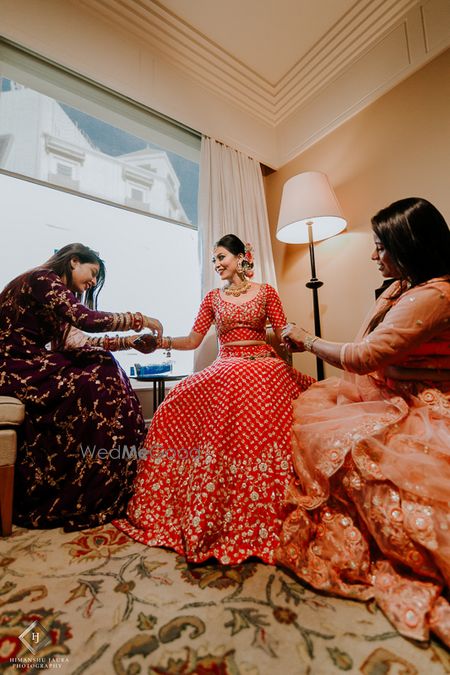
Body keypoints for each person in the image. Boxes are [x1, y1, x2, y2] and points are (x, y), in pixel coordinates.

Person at [278, 197, 450, 648]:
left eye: (380, 247)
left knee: (371, 465)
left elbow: (366, 354)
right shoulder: (403, 286)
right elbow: (371, 348)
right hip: (388, 388)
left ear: (407, 244)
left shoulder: (434, 295)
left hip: (419, 402)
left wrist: (308, 340)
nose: (374, 256)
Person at [115, 235, 314, 564]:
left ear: (240, 257)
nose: (217, 264)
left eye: (222, 256)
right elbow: (194, 340)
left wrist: (301, 339)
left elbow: (283, 334)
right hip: (224, 367)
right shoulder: (212, 298)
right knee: (169, 408)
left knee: (268, 411)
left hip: (263, 366)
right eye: (214, 260)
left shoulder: (266, 292)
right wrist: (159, 341)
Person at [0, 243, 162, 531]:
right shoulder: (42, 279)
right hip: (12, 366)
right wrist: (139, 320)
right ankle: (95, 479)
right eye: (92, 272)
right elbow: (87, 321)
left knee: (99, 362)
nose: (93, 282)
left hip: (29, 363)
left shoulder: (54, 296)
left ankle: (103, 475)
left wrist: (130, 343)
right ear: (74, 261)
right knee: (99, 376)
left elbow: (78, 341)